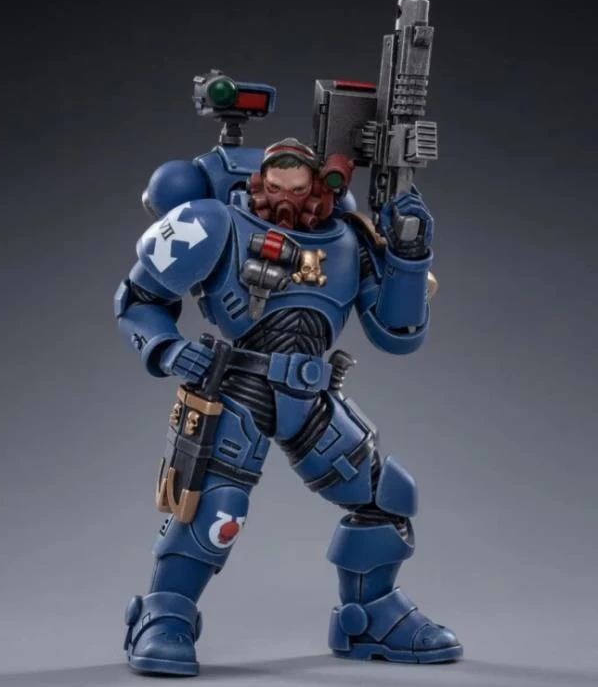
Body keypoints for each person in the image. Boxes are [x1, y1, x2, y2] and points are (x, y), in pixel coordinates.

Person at [114, 137, 462, 676]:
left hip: (311, 395)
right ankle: (164, 615)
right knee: (214, 508)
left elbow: (397, 333)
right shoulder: (215, 224)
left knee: (385, 497)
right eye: (273, 183)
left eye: (297, 185)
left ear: (322, 185)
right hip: (241, 386)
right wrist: (166, 348)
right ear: (257, 182)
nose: (283, 196)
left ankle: (369, 616)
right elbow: (137, 299)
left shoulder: (350, 239)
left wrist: (409, 254)